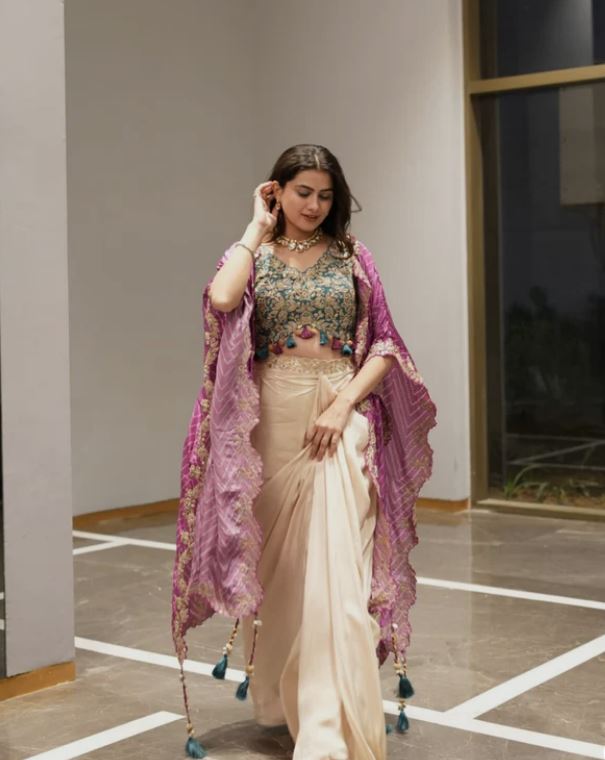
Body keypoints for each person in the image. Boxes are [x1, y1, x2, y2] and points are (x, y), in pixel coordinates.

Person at [171, 144, 437, 759]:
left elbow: (386, 347)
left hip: (340, 414)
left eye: (325, 194)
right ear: (277, 191)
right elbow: (221, 298)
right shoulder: (253, 256)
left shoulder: (354, 258)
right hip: (273, 418)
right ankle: (285, 698)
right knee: (288, 577)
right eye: (302, 192)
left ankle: (329, 730)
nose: (314, 205)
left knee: (339, 572)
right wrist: (254, 227)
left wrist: (343, 406)